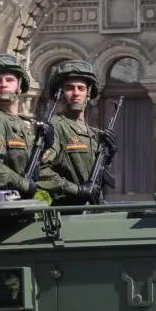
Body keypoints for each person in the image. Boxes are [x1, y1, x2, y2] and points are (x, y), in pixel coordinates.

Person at [34, 60, 107, 205]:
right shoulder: (56, 126)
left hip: (93, 208)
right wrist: (77, 190)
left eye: (81, 88)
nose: (76, 93)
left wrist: (108, 157)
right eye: (69, 88)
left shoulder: (89, 129)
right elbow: (40, 171)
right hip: (68, 211)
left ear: (88, 93)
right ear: (60, 93)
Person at [0, 55, 41, 202]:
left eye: (9, 80)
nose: (3, 84)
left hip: (17, 205)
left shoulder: (20, 123)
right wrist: (22, 183)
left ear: (19, 84)